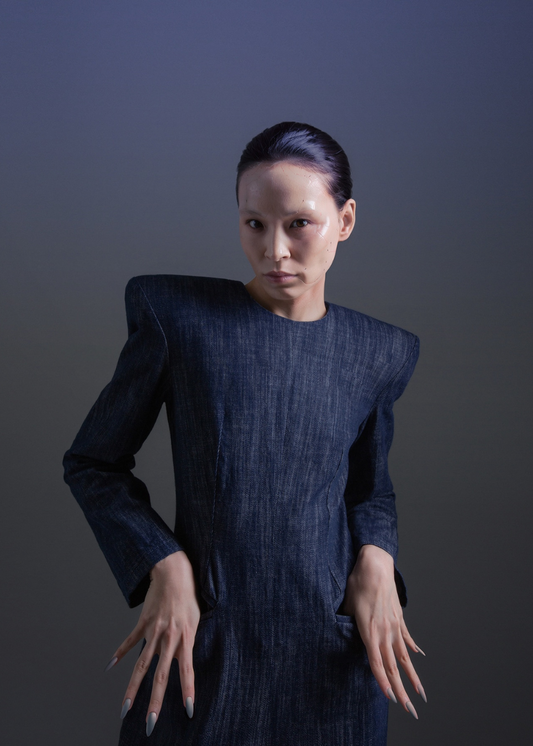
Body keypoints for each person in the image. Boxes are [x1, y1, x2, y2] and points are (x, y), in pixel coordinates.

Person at [63, 121, 426, 745]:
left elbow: (370, 491)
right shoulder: (180, 320)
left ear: (345, 221)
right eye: (254, 223)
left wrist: (377, 558)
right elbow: (93, 461)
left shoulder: (378, 352)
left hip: (332, 661)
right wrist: (162, 561)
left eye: (299, 224)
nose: (274, 250)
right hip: (206, 647)